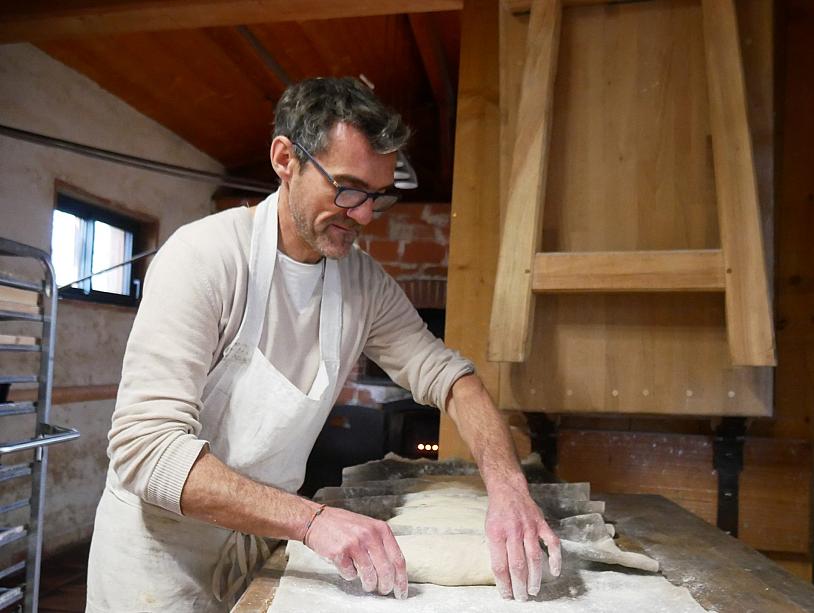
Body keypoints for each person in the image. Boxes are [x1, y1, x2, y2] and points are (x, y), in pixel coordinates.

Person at [85, 77, 561, 612]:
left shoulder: (362, 284)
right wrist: (312, 520)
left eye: (376, 196)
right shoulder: (205, 259)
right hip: (161, 560)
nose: (363, 215)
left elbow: (452, 380)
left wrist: (508, 489)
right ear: (285, 158)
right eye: (348, 188)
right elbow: (147, 450)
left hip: (264, 545)